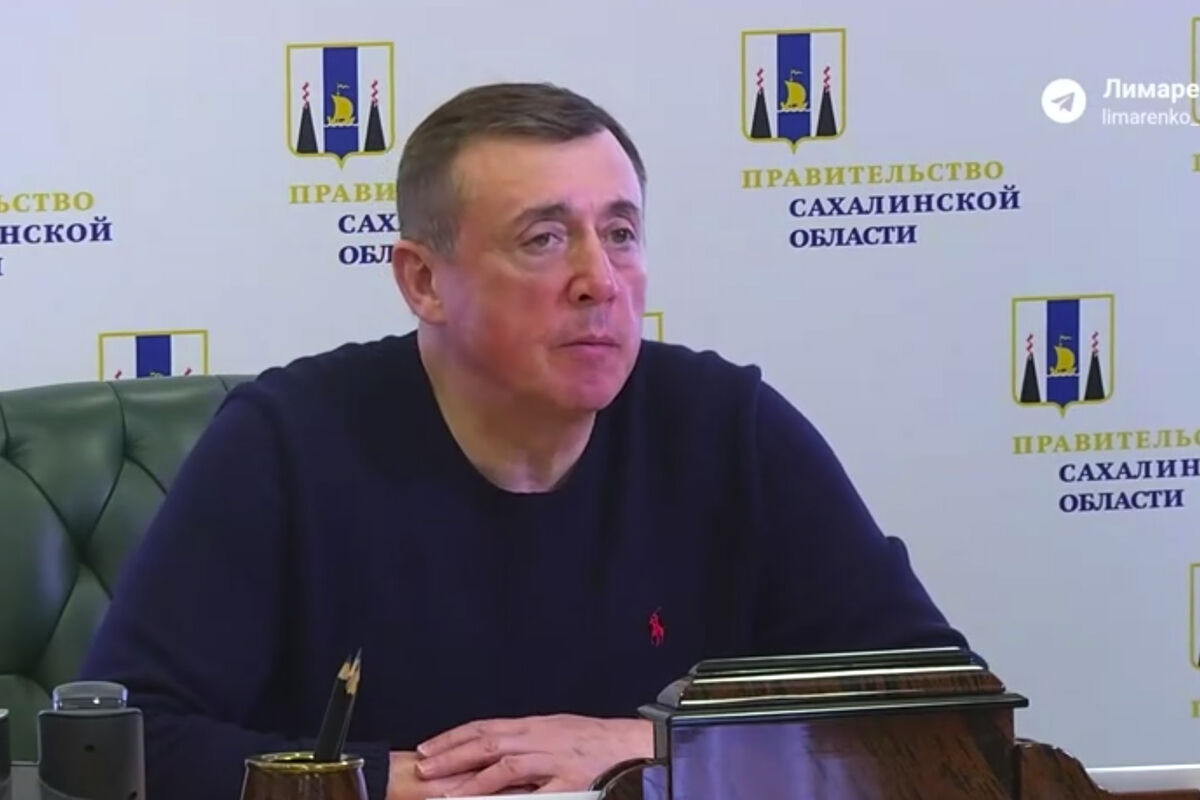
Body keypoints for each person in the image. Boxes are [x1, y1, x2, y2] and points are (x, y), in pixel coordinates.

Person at [78, 82, 969, 800]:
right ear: (423, 281)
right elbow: (125, 740)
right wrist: (390, 781)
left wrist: (658, 747)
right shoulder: (287, 442)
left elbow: (941, 708)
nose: (599, 280)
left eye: (620, 233)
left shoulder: (726, 426)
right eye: (544, 238)